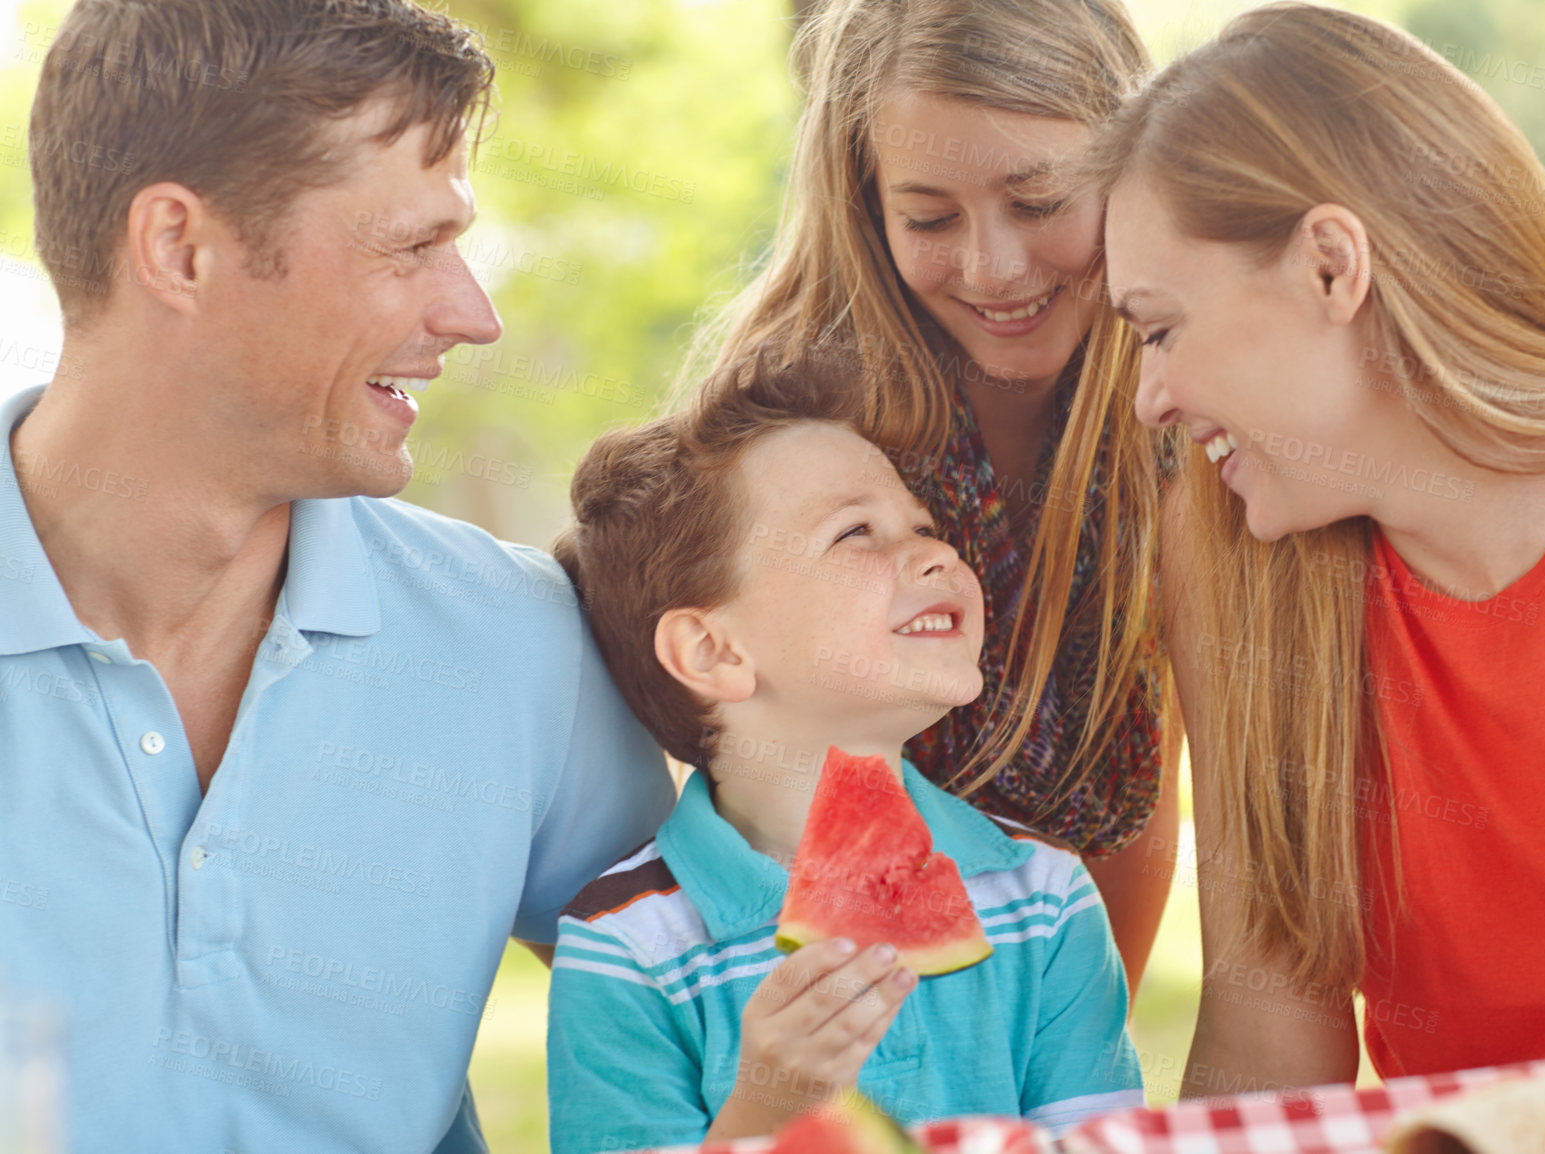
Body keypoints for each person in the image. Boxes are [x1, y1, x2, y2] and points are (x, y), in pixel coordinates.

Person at [0, 2, 673, 1150]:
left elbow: (729, 1017)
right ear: (179, 248)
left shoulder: (520, 644)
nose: (474, 313)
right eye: (411, 247)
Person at [1090, 0, 1545, 1093]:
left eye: (1160, 328)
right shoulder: (1237, 564)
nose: (1149, 397)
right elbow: (1267, 1023)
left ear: (1332, 267)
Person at [689, 0, 1182, 990]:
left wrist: (1078, 1043)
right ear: (867, 207)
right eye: (928, 217)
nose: (993, 267)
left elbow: (1140, 771)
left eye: (1040, 203)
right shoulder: (781, 422)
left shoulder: (1184, 405)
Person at [544, 349, 1146, 1152]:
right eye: (856, 533)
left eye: (924, 527)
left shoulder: (1042, 896)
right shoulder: (627, 944)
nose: (940, 554)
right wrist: (766, 1112)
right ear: (714, 652)